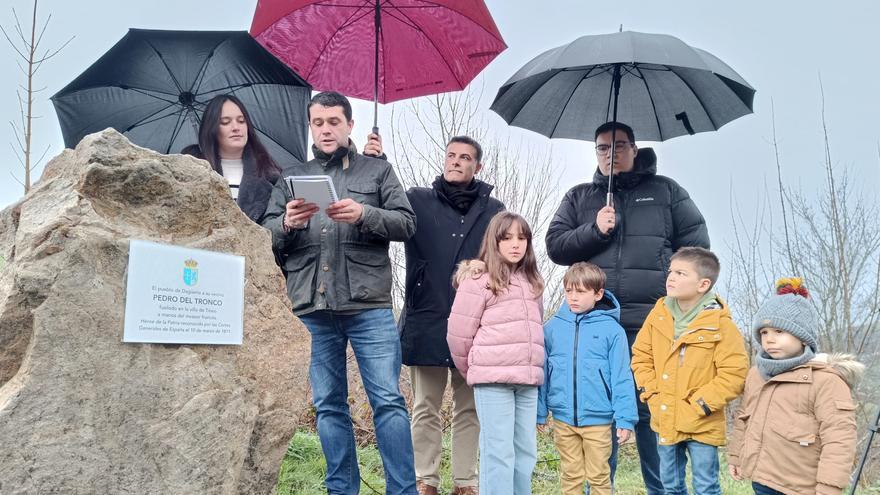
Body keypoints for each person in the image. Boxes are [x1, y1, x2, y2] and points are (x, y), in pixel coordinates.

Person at [262, 91, 417, 495]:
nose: (326, 129)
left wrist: (365, 214)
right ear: (310, 126)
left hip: (368, 304)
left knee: (387, 401)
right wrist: (288, 224)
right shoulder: (291, 175)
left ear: (350, 125)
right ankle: (340, 490)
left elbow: (406, 224)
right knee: (329, 405)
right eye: (318, 122)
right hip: (311, 305)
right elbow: (263, 237)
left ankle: (403, 490)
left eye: (334, 121)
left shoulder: (378, 173)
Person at [544, 121, 710, 494]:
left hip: (653, 323)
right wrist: (594, 230)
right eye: (602, 148)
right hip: (596, 325)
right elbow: (555, 246)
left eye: (618, 146)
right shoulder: (580, 197)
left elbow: (698, 248)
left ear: (635, 149)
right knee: (603, 415)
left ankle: (664, 490)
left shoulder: (666, 192)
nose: (610, 153)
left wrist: (677, 294)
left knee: (653, 413)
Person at [399, 136, 504, 495]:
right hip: (426, 315)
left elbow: (508, 258)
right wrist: (375, 161)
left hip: (477, 325)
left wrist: (487, 266)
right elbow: (382, 209)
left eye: (465, 158)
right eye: (451, 155)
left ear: (478, 166)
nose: (456, 162)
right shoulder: (416, 200)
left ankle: (466, 483)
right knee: (424, 406)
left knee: (469, 408)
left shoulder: (496, 211)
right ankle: (425, 479)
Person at [630, 247, 748, 495]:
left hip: (702, 421)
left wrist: (701, 404)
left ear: (703, 284)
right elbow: (641, 356)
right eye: (671, 271)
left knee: (706, 487)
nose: (671, 277)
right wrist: (650, 393)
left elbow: (734, 374)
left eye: (681, 273)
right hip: (665, 417)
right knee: (670, 485)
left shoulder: (721, 324)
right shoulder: (659, 314)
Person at [728, 278, 862, 495]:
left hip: (803, 487)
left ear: (802, 336)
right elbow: (745, 417)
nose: (769, 340)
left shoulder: (825, 380)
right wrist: (736, 456)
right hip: (762, 479)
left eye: (779, 332)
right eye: (764, 332)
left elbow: (839, 438)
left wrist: (829, 487)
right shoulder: (757, 374)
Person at [446, 212, 545, 495]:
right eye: (507, 238)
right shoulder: (478, 282)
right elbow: (458, 336)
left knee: (525, 454)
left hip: (527, 383)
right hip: (493, 382)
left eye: (522, 238)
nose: (516, 244)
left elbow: (535, 331)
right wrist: (478, 372)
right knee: (498, 454)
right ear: (494, 241)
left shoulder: (533, 284)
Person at [182, 94, 384, 223]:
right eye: (225, 122)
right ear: (212, 128)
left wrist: (373, 161)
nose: (236, 127)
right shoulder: (190, 170)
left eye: (241, 120)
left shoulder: (271, 174)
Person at [537, 262, 637, 495]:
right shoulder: (552, 329)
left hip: (599, 421)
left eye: (581, 292)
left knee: (599, 478)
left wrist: (625, 419)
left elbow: (622, 377)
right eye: (569, 291)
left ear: (598, 294)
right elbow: (543, 374)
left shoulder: (612, 331)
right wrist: (540, 412)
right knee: (570, 476)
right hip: (563, 420)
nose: (573, 297)